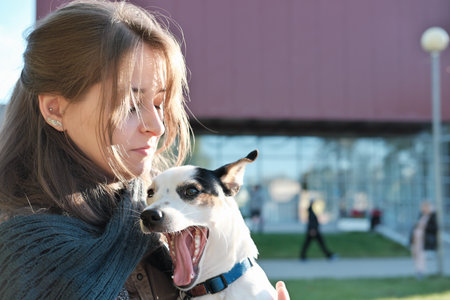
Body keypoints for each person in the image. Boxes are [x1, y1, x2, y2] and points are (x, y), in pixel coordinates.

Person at [0, 1, 290, 299]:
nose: (157, 126)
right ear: (55, 109)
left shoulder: (150, 214)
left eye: (158, 103)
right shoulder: (26, 252)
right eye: (131, 104)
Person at [410, 202, 438, 280]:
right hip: (416, 239)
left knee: (421, 256)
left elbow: (434, 228)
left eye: (424, 207)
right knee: (415, 255)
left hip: (424, 240)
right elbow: (416, 227)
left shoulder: (432, 216)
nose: (423, 209)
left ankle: (421, 272)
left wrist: (424, 227)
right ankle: (417, 270)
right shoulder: (421, 216)